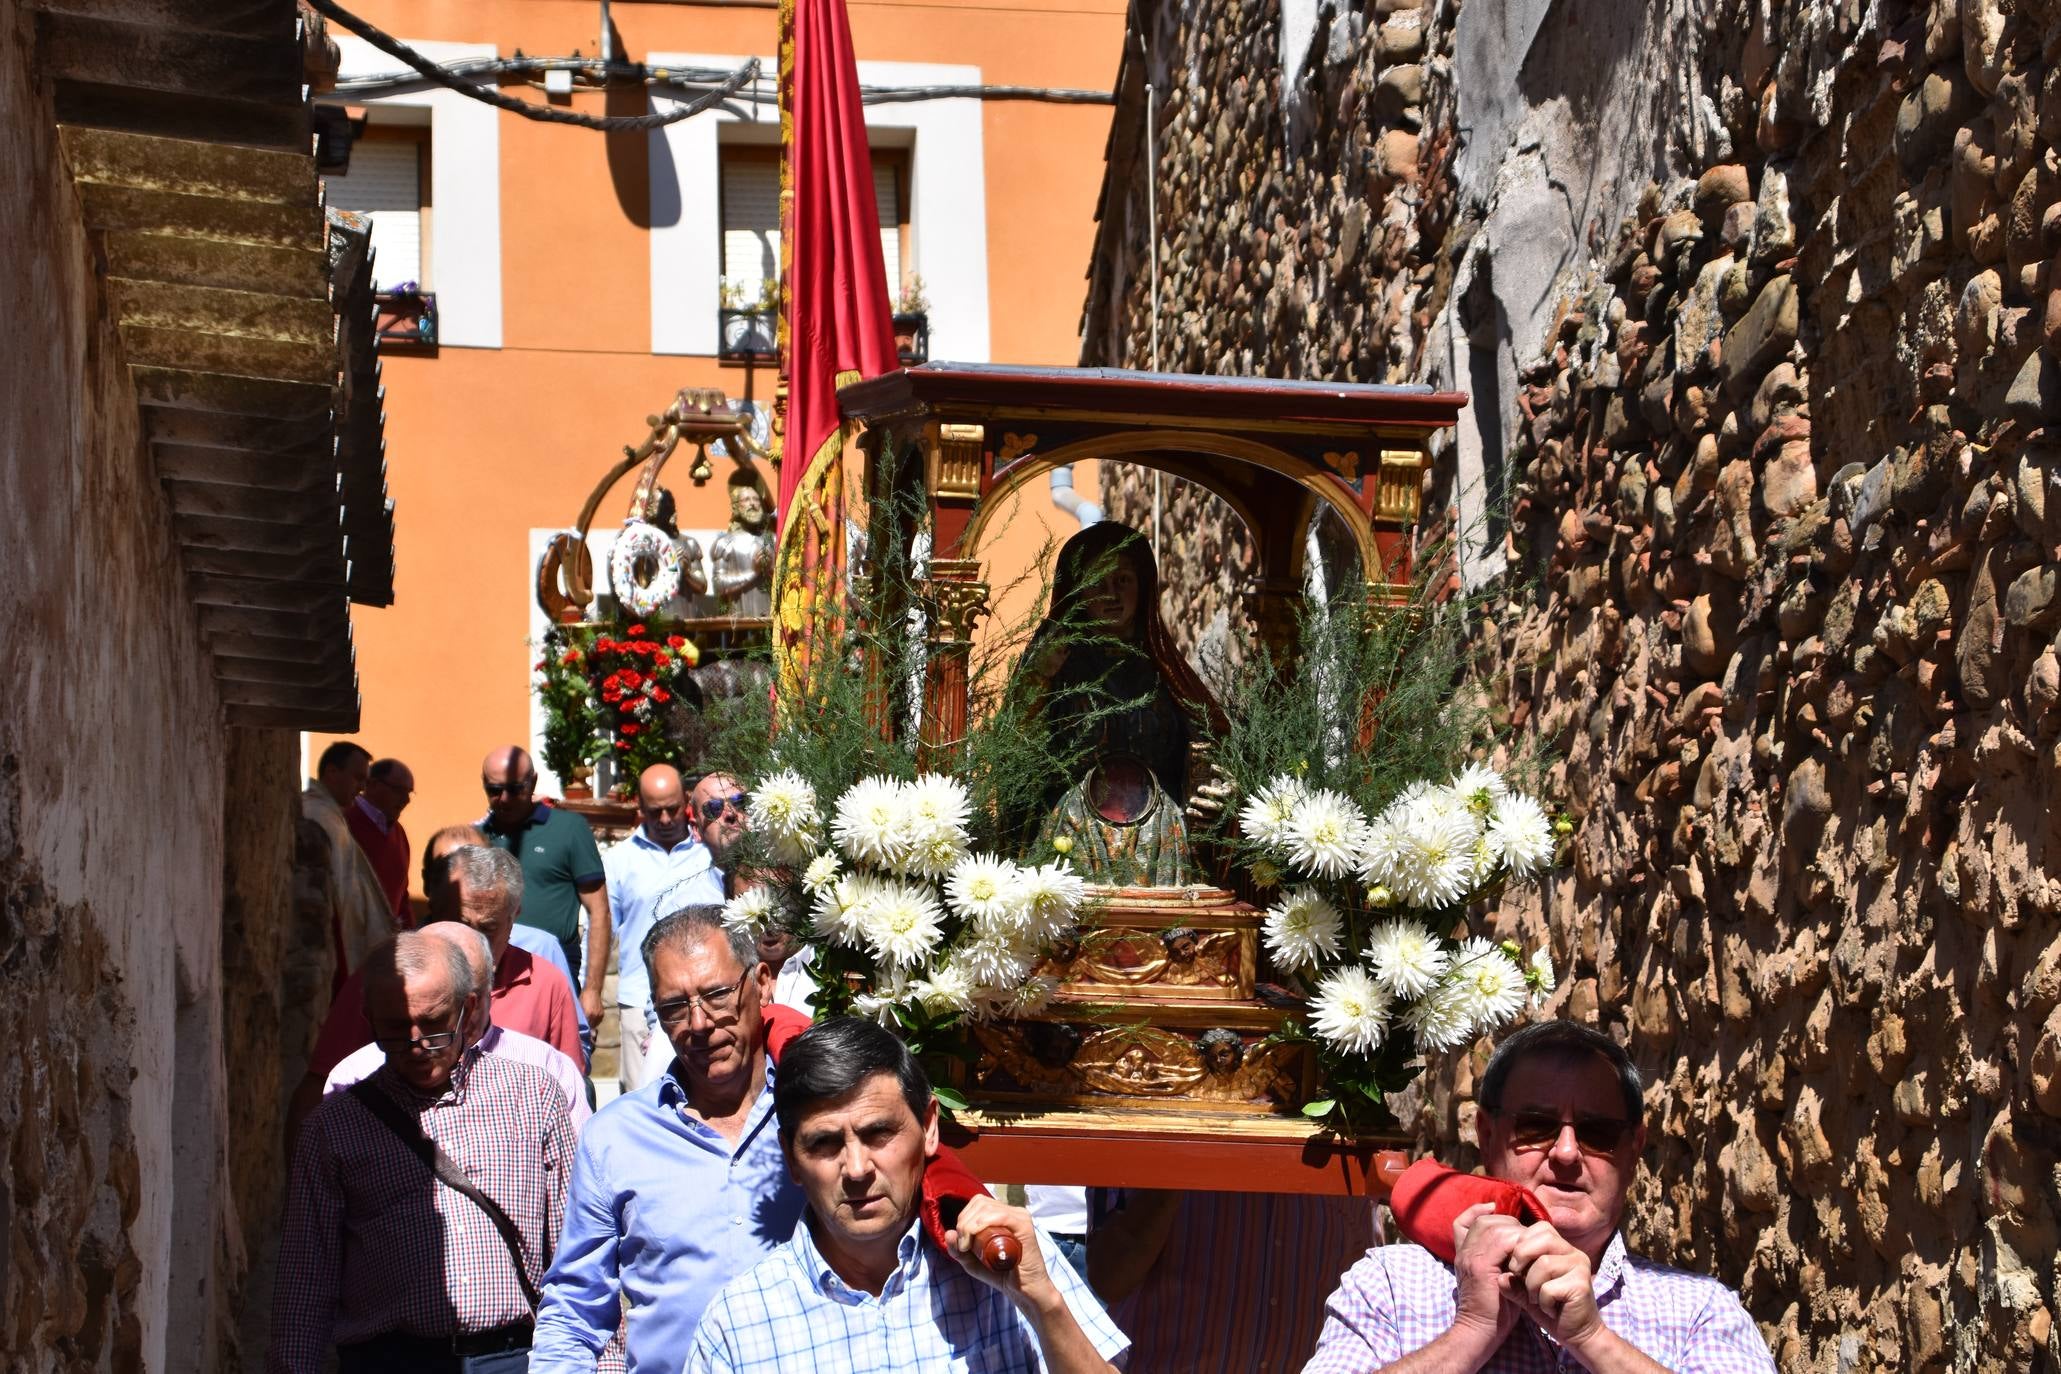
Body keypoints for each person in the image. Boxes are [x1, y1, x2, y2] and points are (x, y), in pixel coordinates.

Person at [1302, 1021, 1776, 1373]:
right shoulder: (1388, 1287)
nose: (1567, 1153)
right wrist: (1470, 1332)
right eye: (1535, 1126)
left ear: (1634, 1151)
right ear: (1486, 1136)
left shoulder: (1698, 1311)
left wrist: (1592, 1338)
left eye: (1597, 1132)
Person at [683, 1017, 1129, 1374]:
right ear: (792, 1159)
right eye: (824, 1144)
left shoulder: (1011, 1259)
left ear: (930, 1126)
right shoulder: (739, 1324)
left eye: (879, 1133)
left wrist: (1042, 1304)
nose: (856, 1169)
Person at [268, 931, 576, 1374]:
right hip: (389, 1360)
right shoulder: (332, 1128)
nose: (416, 1046)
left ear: (468, 1010)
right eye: (395, 1029)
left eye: (433, 1024)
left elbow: (579, 1256)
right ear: (369, 1018)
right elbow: (305, 1282)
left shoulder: (533, 1095)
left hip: (515, 1357)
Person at [531, 907, 806, 1374]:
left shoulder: (821, 1115)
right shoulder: (616, 1138)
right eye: (675, 1008)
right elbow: (575, 1308)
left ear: (762, 983)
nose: (699, 1024)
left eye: (717, 995)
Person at [300, 846, 587, 1101]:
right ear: (435, 908)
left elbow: (569, 1092)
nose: (469, 940)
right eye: (457, 922)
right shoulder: (387, 976)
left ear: (513, 918)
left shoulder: (546, 983)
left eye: (487, 928)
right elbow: (320, 1088)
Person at [326, 921, 591, 1132]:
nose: (463, 1016)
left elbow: (575, 1183)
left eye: (465, 1000)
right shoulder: (353, 1077)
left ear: (484, 994)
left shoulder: (543, 1073)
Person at [1086, 1187, 1371, 1373]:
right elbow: (1109, 1279)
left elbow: (1357, 1307)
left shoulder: (1342, 1145)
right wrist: (1183, 1155)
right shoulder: (1146, 1126)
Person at [605, 764, 725, 1092]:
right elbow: (603, 931)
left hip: (703, 994)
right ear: (640, 808)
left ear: (685, 802)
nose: (666, 819)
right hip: (638, 995)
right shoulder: (619, 861)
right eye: (655, 811)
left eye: (673, 809)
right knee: (643, 1099)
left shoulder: (709, 854)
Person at [480, 745, 610, 1024]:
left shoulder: (569, 829)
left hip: (555, 967)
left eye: (514, 789)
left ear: (533, 782)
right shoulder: (477, 837)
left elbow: (599, 911)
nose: (504, 798)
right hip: (492, 975)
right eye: (494, 789)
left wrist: (593, 990)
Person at [297, 740, 396, 990]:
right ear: (332, 772)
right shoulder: (317, 815)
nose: (362, 788)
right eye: (357, 778)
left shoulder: (331, 816)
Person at [345, 756, 415, 924]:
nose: (406, 800)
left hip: (385, 942)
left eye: (409, 793)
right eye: (398, 790)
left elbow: (402, 896)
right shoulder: (345, 822)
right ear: (372, 784)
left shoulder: (399, 834)